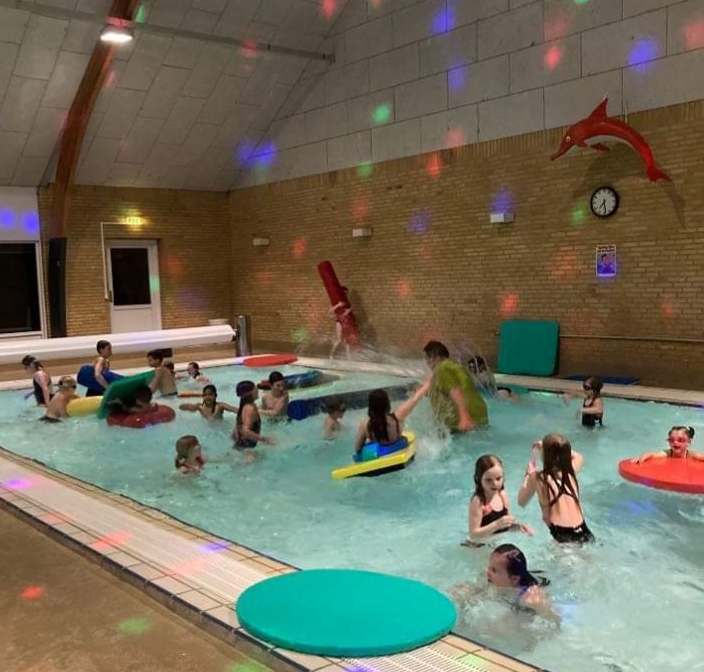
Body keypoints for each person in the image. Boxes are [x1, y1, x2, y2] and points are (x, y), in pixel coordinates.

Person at [518, 434, 594, 544]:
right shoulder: (570, 474)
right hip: (584, 531)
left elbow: (521, 502)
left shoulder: (538, 479)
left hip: (563, 536)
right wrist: (559, 448)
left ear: (545, 455)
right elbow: (578, 456)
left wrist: (528, 474)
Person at [463, 454, 533, 546]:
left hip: (494, 544)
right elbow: (473, 535)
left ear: (503, 477)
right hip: (476, 547)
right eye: (489, 480)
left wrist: (518, 527)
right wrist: (497, 524)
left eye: (498, 478)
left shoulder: (503, 496)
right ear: (479, 480)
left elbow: (506, 525)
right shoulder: (479, 501)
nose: (495, 483)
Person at [354, 378, 432, 456]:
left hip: (378, 456)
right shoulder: (397, 417)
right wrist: (432, 377)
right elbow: (416, 397)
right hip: (398, 451)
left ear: (371, 407)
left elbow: (358, 449)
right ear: (387, 404)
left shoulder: (365, 425)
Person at [424, 341, 488, 432]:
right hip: (479, 414)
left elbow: (455, 391)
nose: (427, 363)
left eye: (427, 358)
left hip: (463, 419)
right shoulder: (455, 366)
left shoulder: (441, 368)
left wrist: (464, 417)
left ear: (435, 357)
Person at [232, 381, 273, 450]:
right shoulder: (250, 409)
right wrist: (264, 439)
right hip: (247, 450)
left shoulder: (245, 406)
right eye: (256, 389)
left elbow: (235, 432)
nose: (257, 391)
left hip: (241, 447)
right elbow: (244, 431)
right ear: (250, 393)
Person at [632, 426, 704, 463]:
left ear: (689, 442)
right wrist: (643, 457)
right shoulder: (668, 453)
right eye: (671, 440)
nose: (675, 442)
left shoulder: (692, 455)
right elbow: (653, 455)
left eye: (680, 440)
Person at [330, 286, 353, 360]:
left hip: (347, 322)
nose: (346, 294)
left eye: (347, 293)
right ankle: (331, 355)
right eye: (344, 293)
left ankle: (348, 357)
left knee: (347, 340)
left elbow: (349, 311)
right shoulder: (338, 301)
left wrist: (349, 310)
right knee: (339, 339)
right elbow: (330, 310)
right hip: (339, 322)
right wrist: (338, 305)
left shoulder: (348, 302)